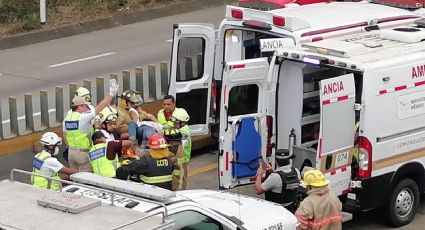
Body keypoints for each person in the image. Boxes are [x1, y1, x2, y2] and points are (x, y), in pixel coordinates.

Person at [63, 79, 119, 172]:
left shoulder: (68, 117)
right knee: (87, 180)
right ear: (79, 106)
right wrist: (111, 94)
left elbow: (65, 134)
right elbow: (100, 107)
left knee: (76, 178)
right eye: (84, 106)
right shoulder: (82, 117)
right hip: (83, 153)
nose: (86, 108)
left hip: (71, 153)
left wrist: (71, 149)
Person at [169, 108, 191, 190]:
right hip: (178, 160)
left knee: (180, 182)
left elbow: (180, 145)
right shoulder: (180, 129)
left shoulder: (183, 132)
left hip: (182, 161)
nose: (174, 124)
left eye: (176, 122)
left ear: (183, 122)